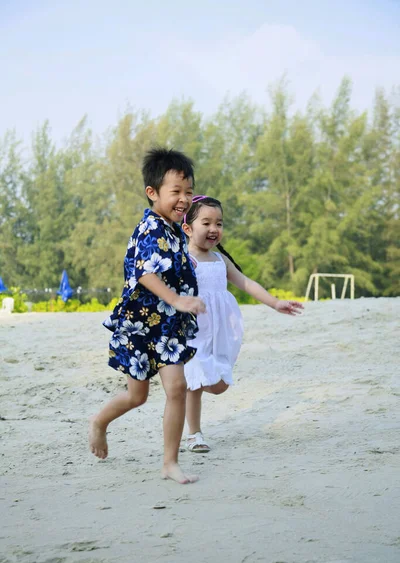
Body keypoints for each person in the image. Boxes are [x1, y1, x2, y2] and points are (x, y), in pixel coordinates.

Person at [89, 148, 206, 484]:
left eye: (188, 191)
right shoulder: (151, 227)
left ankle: (170, 462)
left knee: (177, 388)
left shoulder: (173, 229)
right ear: (153, 193)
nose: (184, 199)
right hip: (140, 324)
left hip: (167, 325)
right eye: (176, 192)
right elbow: (145, 273)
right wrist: (178, 300)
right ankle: (99, 422)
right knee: (137, 396)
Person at [182, 195, 304, 452]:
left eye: (219, 223)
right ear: (188, 228)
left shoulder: (220, 261)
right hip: (193, 329)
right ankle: (194, 434)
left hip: (221, 329)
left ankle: (192, 382)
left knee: (219, 386)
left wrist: (275, 303)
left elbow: (246, 283)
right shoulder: (182, 260)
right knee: (194, 379)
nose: (214, 229)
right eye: (206, 222)